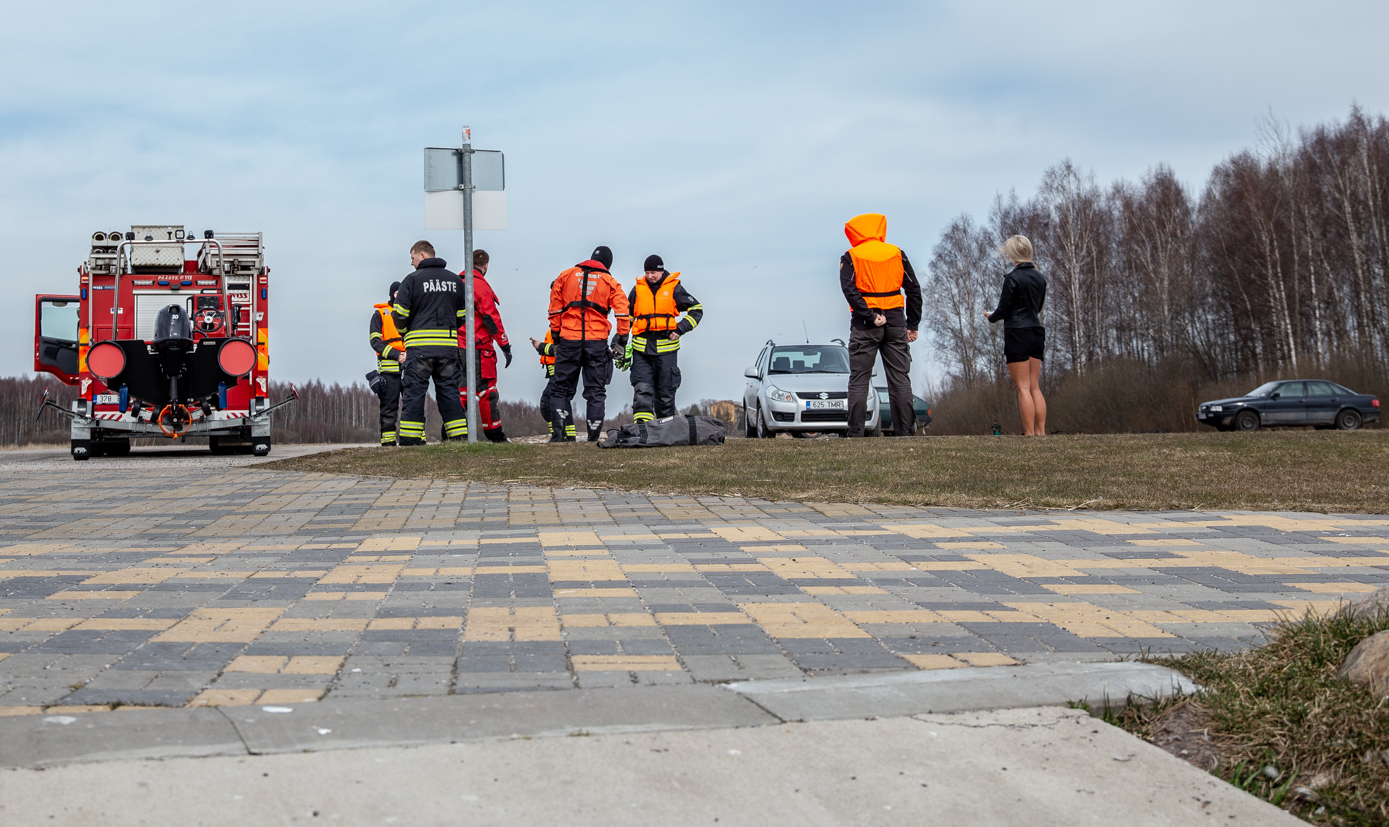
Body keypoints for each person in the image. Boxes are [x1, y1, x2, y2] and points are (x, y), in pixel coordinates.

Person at [839, 213, 922, 437]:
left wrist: (869, 315)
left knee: (859, 379)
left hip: (865, 326)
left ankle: (855, 433)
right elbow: (914, 289)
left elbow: (849, 290)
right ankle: (905, 432)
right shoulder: (896, 254)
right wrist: (912, 324)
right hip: (896, 323)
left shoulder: (851, 256)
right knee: (899, 379)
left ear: (855, 232)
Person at [547, 245, 629, 442]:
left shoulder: (565, 276)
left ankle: (559, 436)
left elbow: (554, 310)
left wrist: (557, 338)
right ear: (607, 264)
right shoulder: (610, 282)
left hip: (569, 341)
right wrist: (622, 341)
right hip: (596, 342)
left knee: (561, 389)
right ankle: (593, 437)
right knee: (595, 391)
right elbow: (623, 313)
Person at [392, 240, 469, 445]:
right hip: (447, 349)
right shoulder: (456, 281)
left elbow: (399, 315)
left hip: (420, 350)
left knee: (415, 394)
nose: (411, 263)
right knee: (449, 392)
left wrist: (404, 332)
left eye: (413, 257)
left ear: (423, 256)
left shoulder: (412, 280)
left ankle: (410, 441)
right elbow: (462, 315)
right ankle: (459, 438)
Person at [627, 255, 702, 422]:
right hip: (641, 351)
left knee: (665, 394)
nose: (650, 276)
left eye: (653, 272)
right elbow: (628, 317)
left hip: (666, 351)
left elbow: (697, 309)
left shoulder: (675, 289)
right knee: (642, 391)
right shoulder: (637, 290)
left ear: (661, 271)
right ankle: (643, 431)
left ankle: (664, 432)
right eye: (647, 272)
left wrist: (681, 328)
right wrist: (621, 340)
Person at [985, 235, 1047, 436]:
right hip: (1035, 330)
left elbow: (1003, 309)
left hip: (1017, 332)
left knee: (1023, 388)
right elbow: (1038, 307)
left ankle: (1029, 433)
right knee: (1035, 386)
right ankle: (1040, 432)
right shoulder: (1040, 277)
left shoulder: (1012, 278)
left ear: (1013, 254)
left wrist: (990, 317)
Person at [457, 249, 513, 443]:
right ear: (486, 265)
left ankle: (453, 433)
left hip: (456, 347)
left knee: (459, 391)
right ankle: (495, 435)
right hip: (479, 348)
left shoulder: (456, 283)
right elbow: (491, 318)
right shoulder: (480, 286)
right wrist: (505, 345)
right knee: (487, 392)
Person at [368, 281, 405, 445]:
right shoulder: (380, 315)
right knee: (389, 408)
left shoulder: (411, 313)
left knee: (415, 406)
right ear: (393, 294)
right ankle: (388, 444)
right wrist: (397, 355)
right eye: (398, 293)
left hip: (410, 367)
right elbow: (375, 342)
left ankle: (416, 442)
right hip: (390, 371)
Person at [531, 330, 575, 441]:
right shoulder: (556, 327)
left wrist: (541, 346)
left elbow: (561, 349)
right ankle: (566, 435)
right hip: (556, 373)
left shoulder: (564, 327)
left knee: (547, 404)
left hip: (559, 372)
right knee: (562, 403)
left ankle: (559, 434)